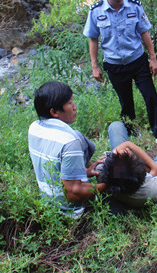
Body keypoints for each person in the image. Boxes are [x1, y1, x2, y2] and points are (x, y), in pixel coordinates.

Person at [83, 0, 157, 142]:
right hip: (115, 65)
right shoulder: (96, 11)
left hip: (137, 60)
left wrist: (153, 58)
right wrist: (94, 66)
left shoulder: (134, 6)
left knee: (150, 96)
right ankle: (131, 133)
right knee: (126, 102)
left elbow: (144, 32)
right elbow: (93, 38)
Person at [27, 81, 107, 217]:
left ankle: (79, 174)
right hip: (70, 211)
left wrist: (84, 172)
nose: (75, 107)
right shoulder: (69, 142)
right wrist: (106, 186)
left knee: (78, 135)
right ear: (55, 112)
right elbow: (72, 193)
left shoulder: (34, 127)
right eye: (70, 103)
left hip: (48, 203)